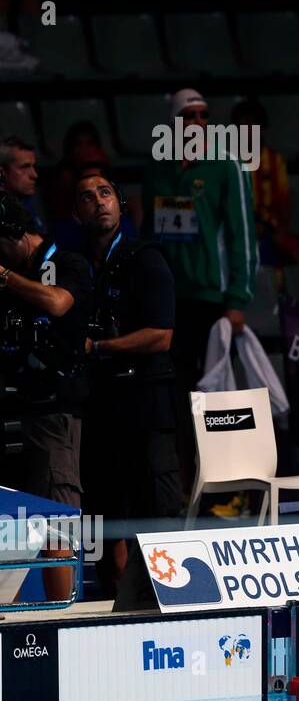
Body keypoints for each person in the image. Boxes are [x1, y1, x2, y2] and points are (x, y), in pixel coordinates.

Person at [75, 172, 183, 605]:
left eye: (105, 194)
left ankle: (167, 601)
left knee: (155, 508)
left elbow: (161, 335)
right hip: (100, 406)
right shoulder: (76, 265)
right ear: (76, 213)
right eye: (87, 197)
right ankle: (113, 604)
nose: (98, 202)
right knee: (103, 513)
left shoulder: (145, 258)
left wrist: (99, 346)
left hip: (146, 405)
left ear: (120, 205)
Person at [0, 191, 92, 600]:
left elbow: (56, 304)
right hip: (12, 406)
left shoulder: (68, 263)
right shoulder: (14, 274)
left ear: (16, 234)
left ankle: (62, 620)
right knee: (14, 522)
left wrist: (3, 276)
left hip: (54, 410)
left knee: (57, 519)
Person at [142, 87, 258, 394]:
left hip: (213, 296)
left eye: (203, 115)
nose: (197, 121)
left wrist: (237, 300)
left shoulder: (227, 165)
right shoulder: (157, 168)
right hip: (171, 297)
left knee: (216, 389)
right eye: (188, 116)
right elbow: (150, 232)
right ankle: (183, 444)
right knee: (176, 383)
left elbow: (242, 235)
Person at [232, 98, 299, 266]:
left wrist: (280, 231)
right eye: (241, 126)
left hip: (269, 229)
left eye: (251, 126)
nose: (246, 131)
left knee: (297, 253)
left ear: (263, 129)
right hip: (237, 230)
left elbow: (283, 202)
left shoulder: (275, 161)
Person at [0, 134, 42, 231]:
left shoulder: (24, 199)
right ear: (2, 172)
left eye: (33, 166)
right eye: (25, 167)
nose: (35, 175)